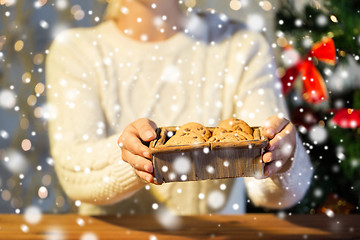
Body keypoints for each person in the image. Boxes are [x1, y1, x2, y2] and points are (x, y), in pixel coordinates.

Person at [46, 0, 313, 215]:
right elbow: (74, 173)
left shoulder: (241, 45)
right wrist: (133, 157)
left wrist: (282, 160)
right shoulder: (76, 51)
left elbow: (277, 189)